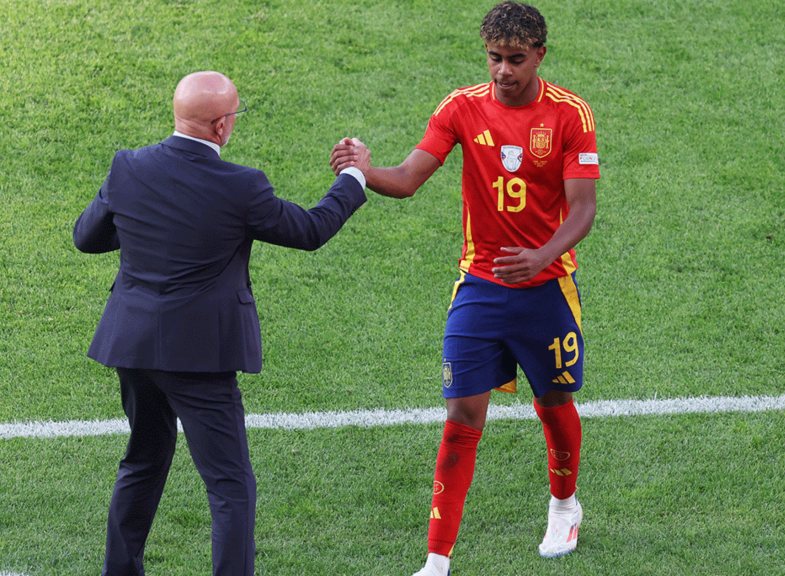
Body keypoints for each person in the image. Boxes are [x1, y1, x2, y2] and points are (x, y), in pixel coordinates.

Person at [331, 2, 599, 572]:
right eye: (495, 58)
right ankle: (436, 562)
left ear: (539, 56)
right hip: (480, 288)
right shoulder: (460, 107)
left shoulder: (570, 115)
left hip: (548, 290)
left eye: (516, 59)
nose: (503, 70)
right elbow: (407, 179)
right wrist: (362, 170)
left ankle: (564, 505)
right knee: (461, 418)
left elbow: (583, 209)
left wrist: (542, 255)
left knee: (554, 404)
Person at [74, 70, 369, 576]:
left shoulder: (128, 167)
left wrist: (152, 231)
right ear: (221, 126)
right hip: (200, 357)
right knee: (230, 484)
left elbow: (87, 237)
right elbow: (310, 230)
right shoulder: (241, 185)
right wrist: (353, 178)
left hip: (133, 346)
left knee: (142, 462)